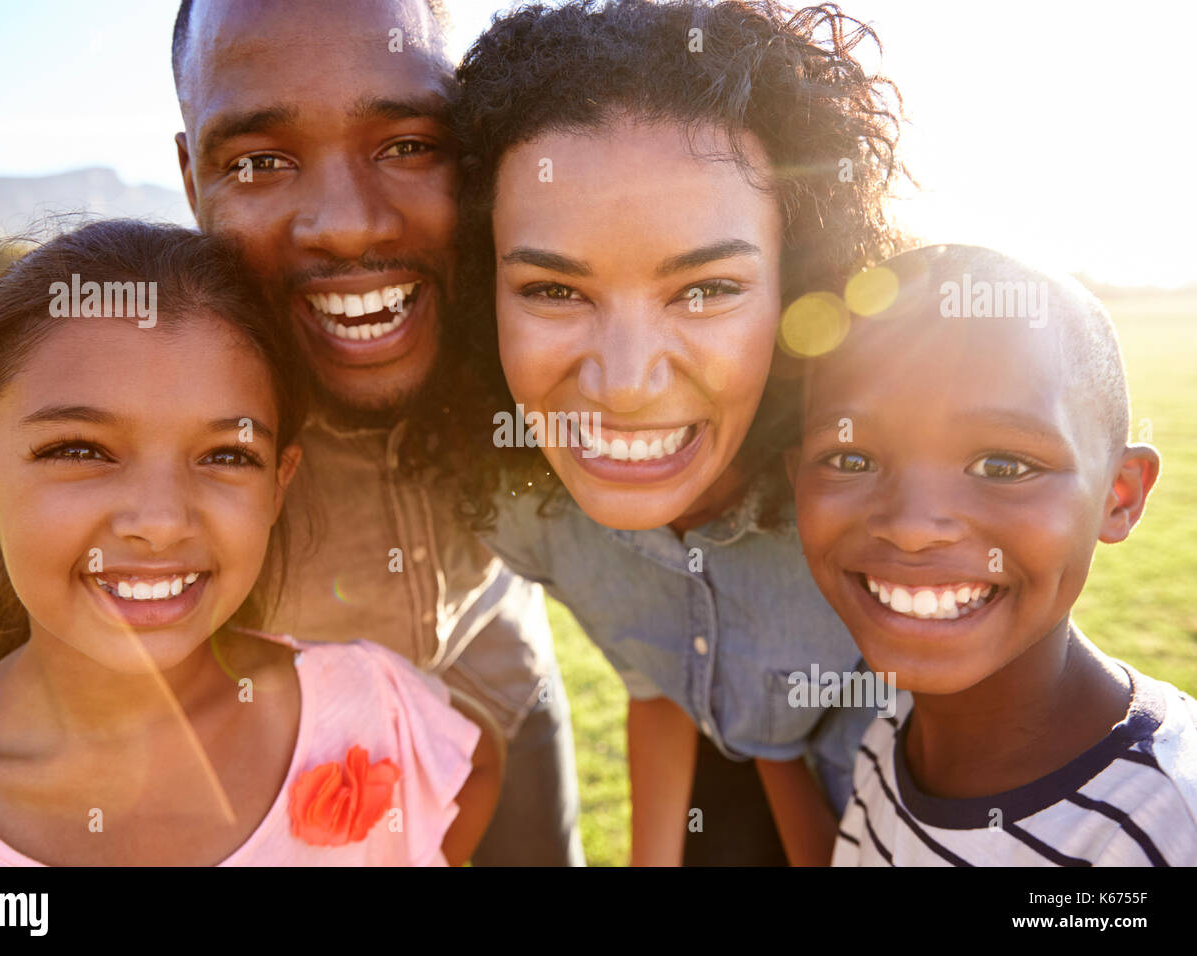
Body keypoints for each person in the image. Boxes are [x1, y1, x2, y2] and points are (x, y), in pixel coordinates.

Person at [450, 0, 907, 865]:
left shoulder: (886, 508)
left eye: (705, 290)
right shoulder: (530, 514)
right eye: (554, 291)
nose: (624, 385)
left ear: (802, 286)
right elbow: (660, 680)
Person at [0, 220, 501, 866]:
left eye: (226, 455)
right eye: (80, 449)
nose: (161, 521)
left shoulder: (379, 720)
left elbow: (475, 770)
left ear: (277, 484)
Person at [170, 0, 584, 865]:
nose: (350, 222)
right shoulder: (143, 393)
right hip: (286, 762)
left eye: (407, 146)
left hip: (506, 686)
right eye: (260, 162)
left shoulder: (543, 312)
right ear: (190, 178)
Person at [789, 244, 1197, 865]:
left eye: (1002, 465)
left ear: (1120, 497)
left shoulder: (1166, 830)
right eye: (851, 459)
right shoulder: (892, 728)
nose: (912, 528)